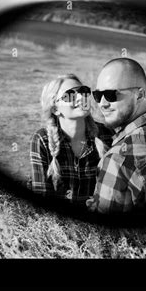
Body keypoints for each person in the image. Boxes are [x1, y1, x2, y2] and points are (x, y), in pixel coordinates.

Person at [86, 58, 146, 214]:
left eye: (111, 94)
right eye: (97, 95)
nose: (102, 103)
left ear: (140, 95)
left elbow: (102, 232)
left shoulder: (116, 162)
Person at [28, 74, 113, 207]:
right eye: (70, 95)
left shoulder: (106, 135)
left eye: (83, 91)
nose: (81, 98)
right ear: (55, 109)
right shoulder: (43, 140)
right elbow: (42, 196)